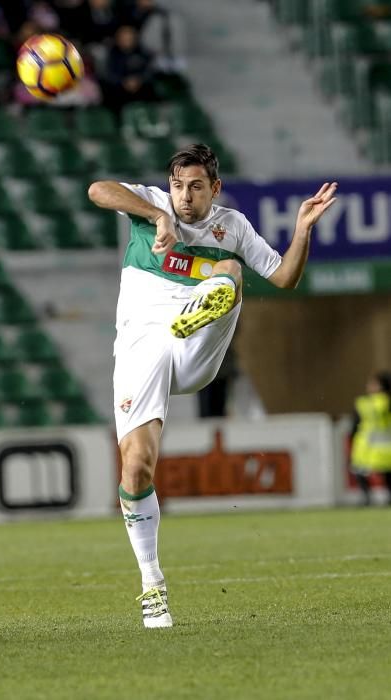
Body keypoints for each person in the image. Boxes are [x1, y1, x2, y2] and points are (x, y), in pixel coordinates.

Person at [87, 143, 337, 628]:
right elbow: (98, 189)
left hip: (195, 345)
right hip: (142, 345)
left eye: (196, 187)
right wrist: (155, 215)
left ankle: (207, 303)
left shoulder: (233, 226)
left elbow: (285, 277)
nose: (185, 196)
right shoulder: (152, 203)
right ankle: (152, 584)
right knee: (135, 467)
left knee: (231, 271)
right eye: (178, 186)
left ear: (215, 189)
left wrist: (303, 229)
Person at [349, 371, 391, 506]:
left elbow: (355, 424)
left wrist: (353, 436)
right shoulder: (387, 402)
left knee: (359, 470)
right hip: (387, 445)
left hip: (366, 445)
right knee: (387, 472)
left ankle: (366, 497)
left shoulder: (363, 403)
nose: (369, 386)